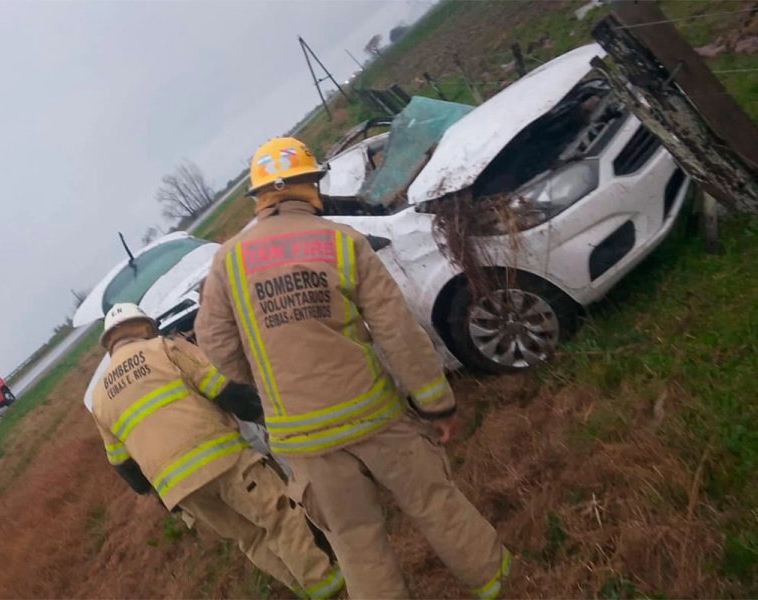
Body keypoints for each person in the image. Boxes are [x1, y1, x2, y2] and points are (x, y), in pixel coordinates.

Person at [195, 137, 511, 599]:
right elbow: (397, 331)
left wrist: (266, 378)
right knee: (435, 502)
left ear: (259, 197)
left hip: (302, 436)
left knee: (355, 542)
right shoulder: (342, 242)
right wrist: (436, 404)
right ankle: (497, 582)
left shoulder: (227, 261)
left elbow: (217, 345)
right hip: (374, 415)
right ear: (310, 185)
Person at [90, 303, 343, 599]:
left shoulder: (99, 398)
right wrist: (262, 415)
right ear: (144, 326)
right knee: (278, 518)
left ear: (110, 341)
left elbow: (124, 466)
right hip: (223, 460)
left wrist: (165, 496)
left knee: (250, 538)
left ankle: (306, 589)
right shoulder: (163, 349)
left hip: (179, 489)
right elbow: (223, 388)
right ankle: (329, 585)